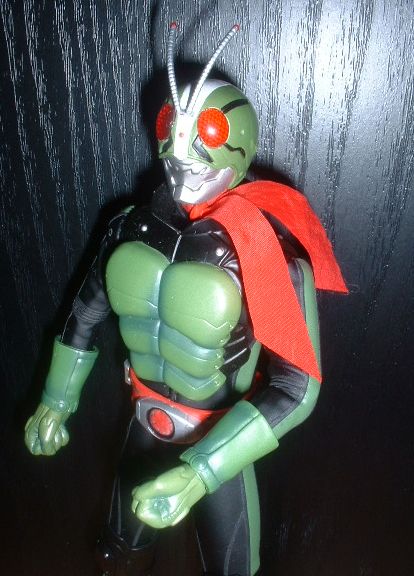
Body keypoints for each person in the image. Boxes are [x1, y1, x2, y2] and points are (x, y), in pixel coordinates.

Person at [25, 24, 347, 576]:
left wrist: (203, 470)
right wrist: (57, 398)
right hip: (143, 420)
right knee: (117, 551)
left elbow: (298, 388)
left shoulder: (265, 256)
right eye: (173, 136)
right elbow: (84, 317)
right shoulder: (129, 228)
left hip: (218, 432)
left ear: (237, 147)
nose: (183, 161)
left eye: (206, 137)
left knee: (232, 568)